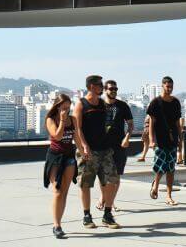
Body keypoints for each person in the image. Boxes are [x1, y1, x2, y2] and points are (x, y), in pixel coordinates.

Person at [72, 75, 120, 229]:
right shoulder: (81, 104)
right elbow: (77, 128)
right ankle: (87, 216)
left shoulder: (101, 104)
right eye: (100, 85)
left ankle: (107, 215)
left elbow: (107, 124)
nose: (102, 87)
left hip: (105, 149)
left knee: (112, 180)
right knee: (85, 183)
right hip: (89, 151)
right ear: (92, 86)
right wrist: (84, 146)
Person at [43, 93, 77, 239]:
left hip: (69, 157)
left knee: (64, 191)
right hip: (55, 157)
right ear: (57, 107)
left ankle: (59, 223)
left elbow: (77, 137)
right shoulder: (51, 119)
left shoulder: (73, 119)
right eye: (64, 108)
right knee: (57, 189)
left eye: (68, 108)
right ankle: (56, 225)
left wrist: (84, 152)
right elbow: (56, 136)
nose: (66, 111)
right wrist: (62, 121)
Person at [147, 76, 184, 205]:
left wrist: (180, 139)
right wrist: (151, 140)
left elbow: (177, 123)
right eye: (167, 87)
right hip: (159, 139)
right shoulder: (155, 103)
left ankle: (169, 196)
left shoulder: (175, 102)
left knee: (171, 168)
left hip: (172, 138)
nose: (169, 89)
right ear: (162, 86)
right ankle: (155, 185)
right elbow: (152, 122)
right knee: (160, 166)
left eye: (171, 87)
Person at [96, 79, 132, 213]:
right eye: (111, 89)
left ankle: (110, 202)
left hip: (119, 146)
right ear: (105, 90)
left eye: (116, 89)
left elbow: (131, 125)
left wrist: (127, 138)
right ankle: (104, 197)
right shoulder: (98, 105)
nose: (114, 91)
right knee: (102, 175)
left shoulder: (123, 106)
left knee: (115, 176)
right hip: (102, 145)